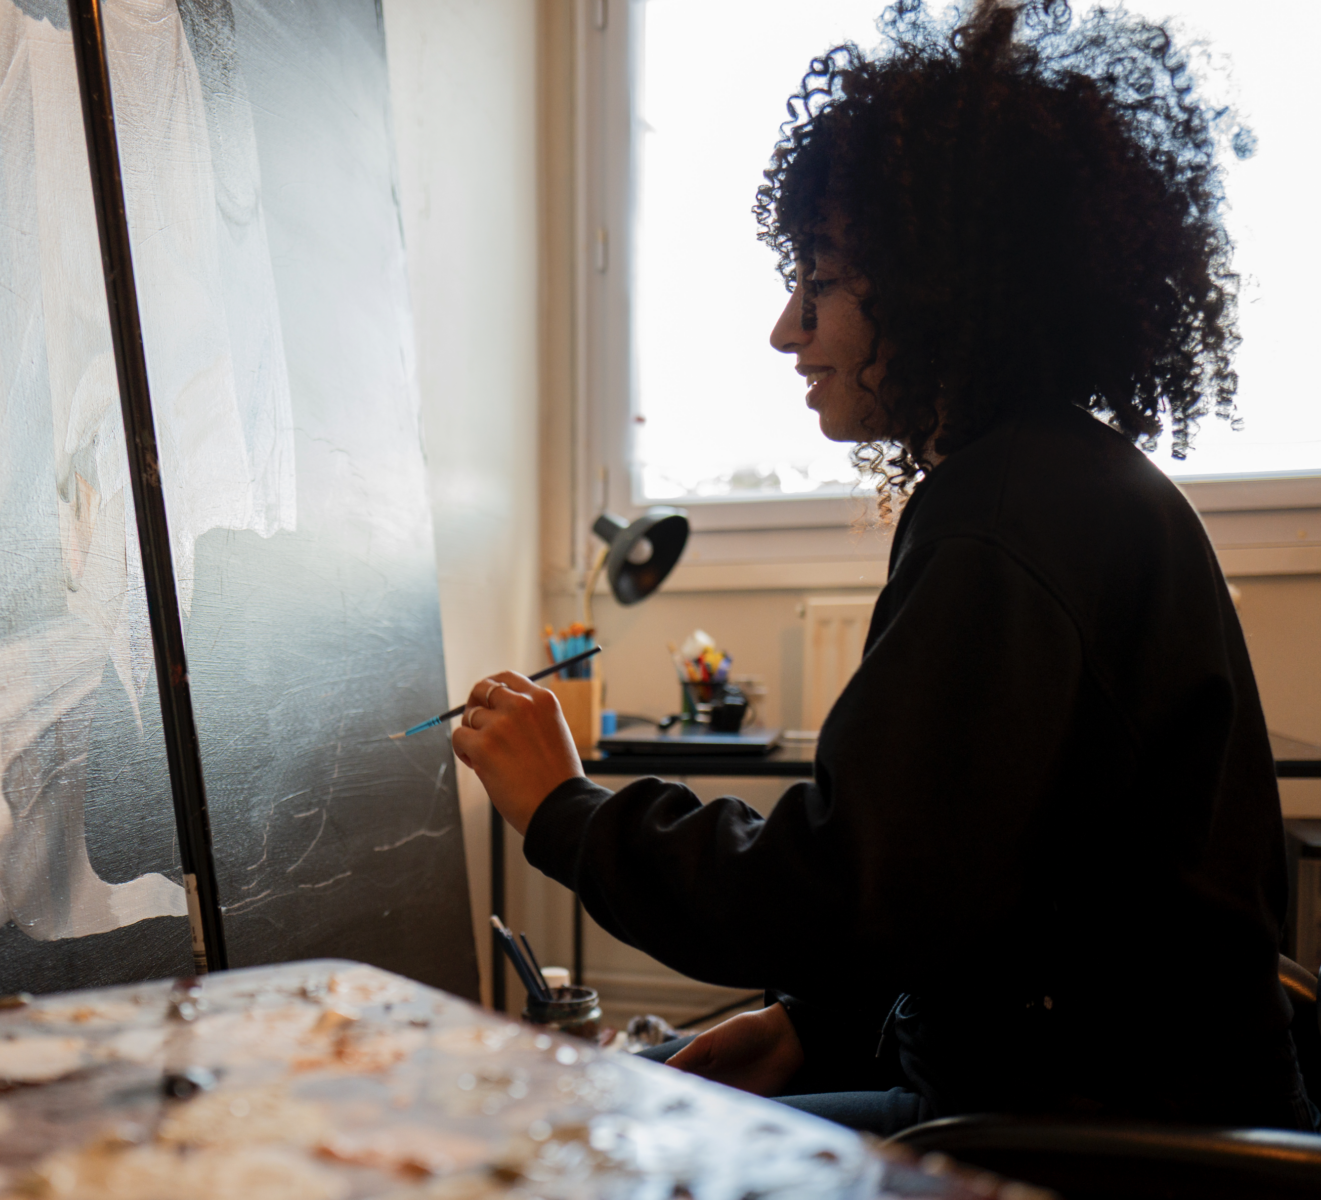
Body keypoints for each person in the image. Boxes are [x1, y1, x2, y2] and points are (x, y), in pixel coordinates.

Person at [452, 0, 1315, 1136]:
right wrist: (811, 1022)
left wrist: (561, 808)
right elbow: (967, 885)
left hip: (1088, 1144)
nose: (784, 330)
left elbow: (841, 888)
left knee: (597, 1156)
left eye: (820, 279)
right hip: (1085, 1092)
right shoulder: (1062, 484)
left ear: (940, 289)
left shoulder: (1002, 521)